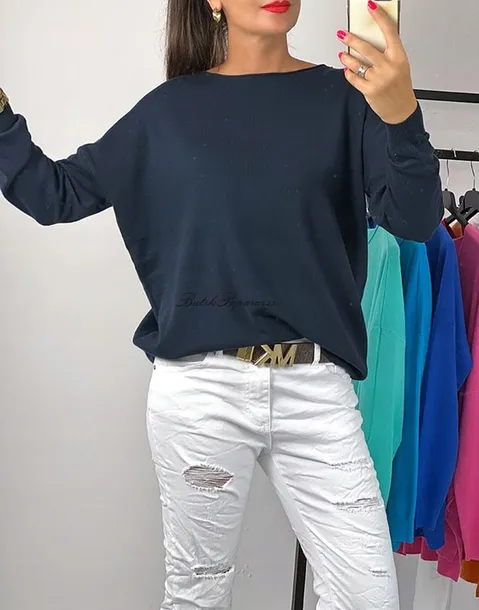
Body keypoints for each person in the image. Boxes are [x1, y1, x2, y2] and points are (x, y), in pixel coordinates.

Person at [0, 0, 443, 608]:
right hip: (201, 391)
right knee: (198, 594)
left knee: (368, 596)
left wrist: (403, 115)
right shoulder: (168, 111)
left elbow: (414, 221)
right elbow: (57, 194)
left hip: (316, 389)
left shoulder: (345, 99)